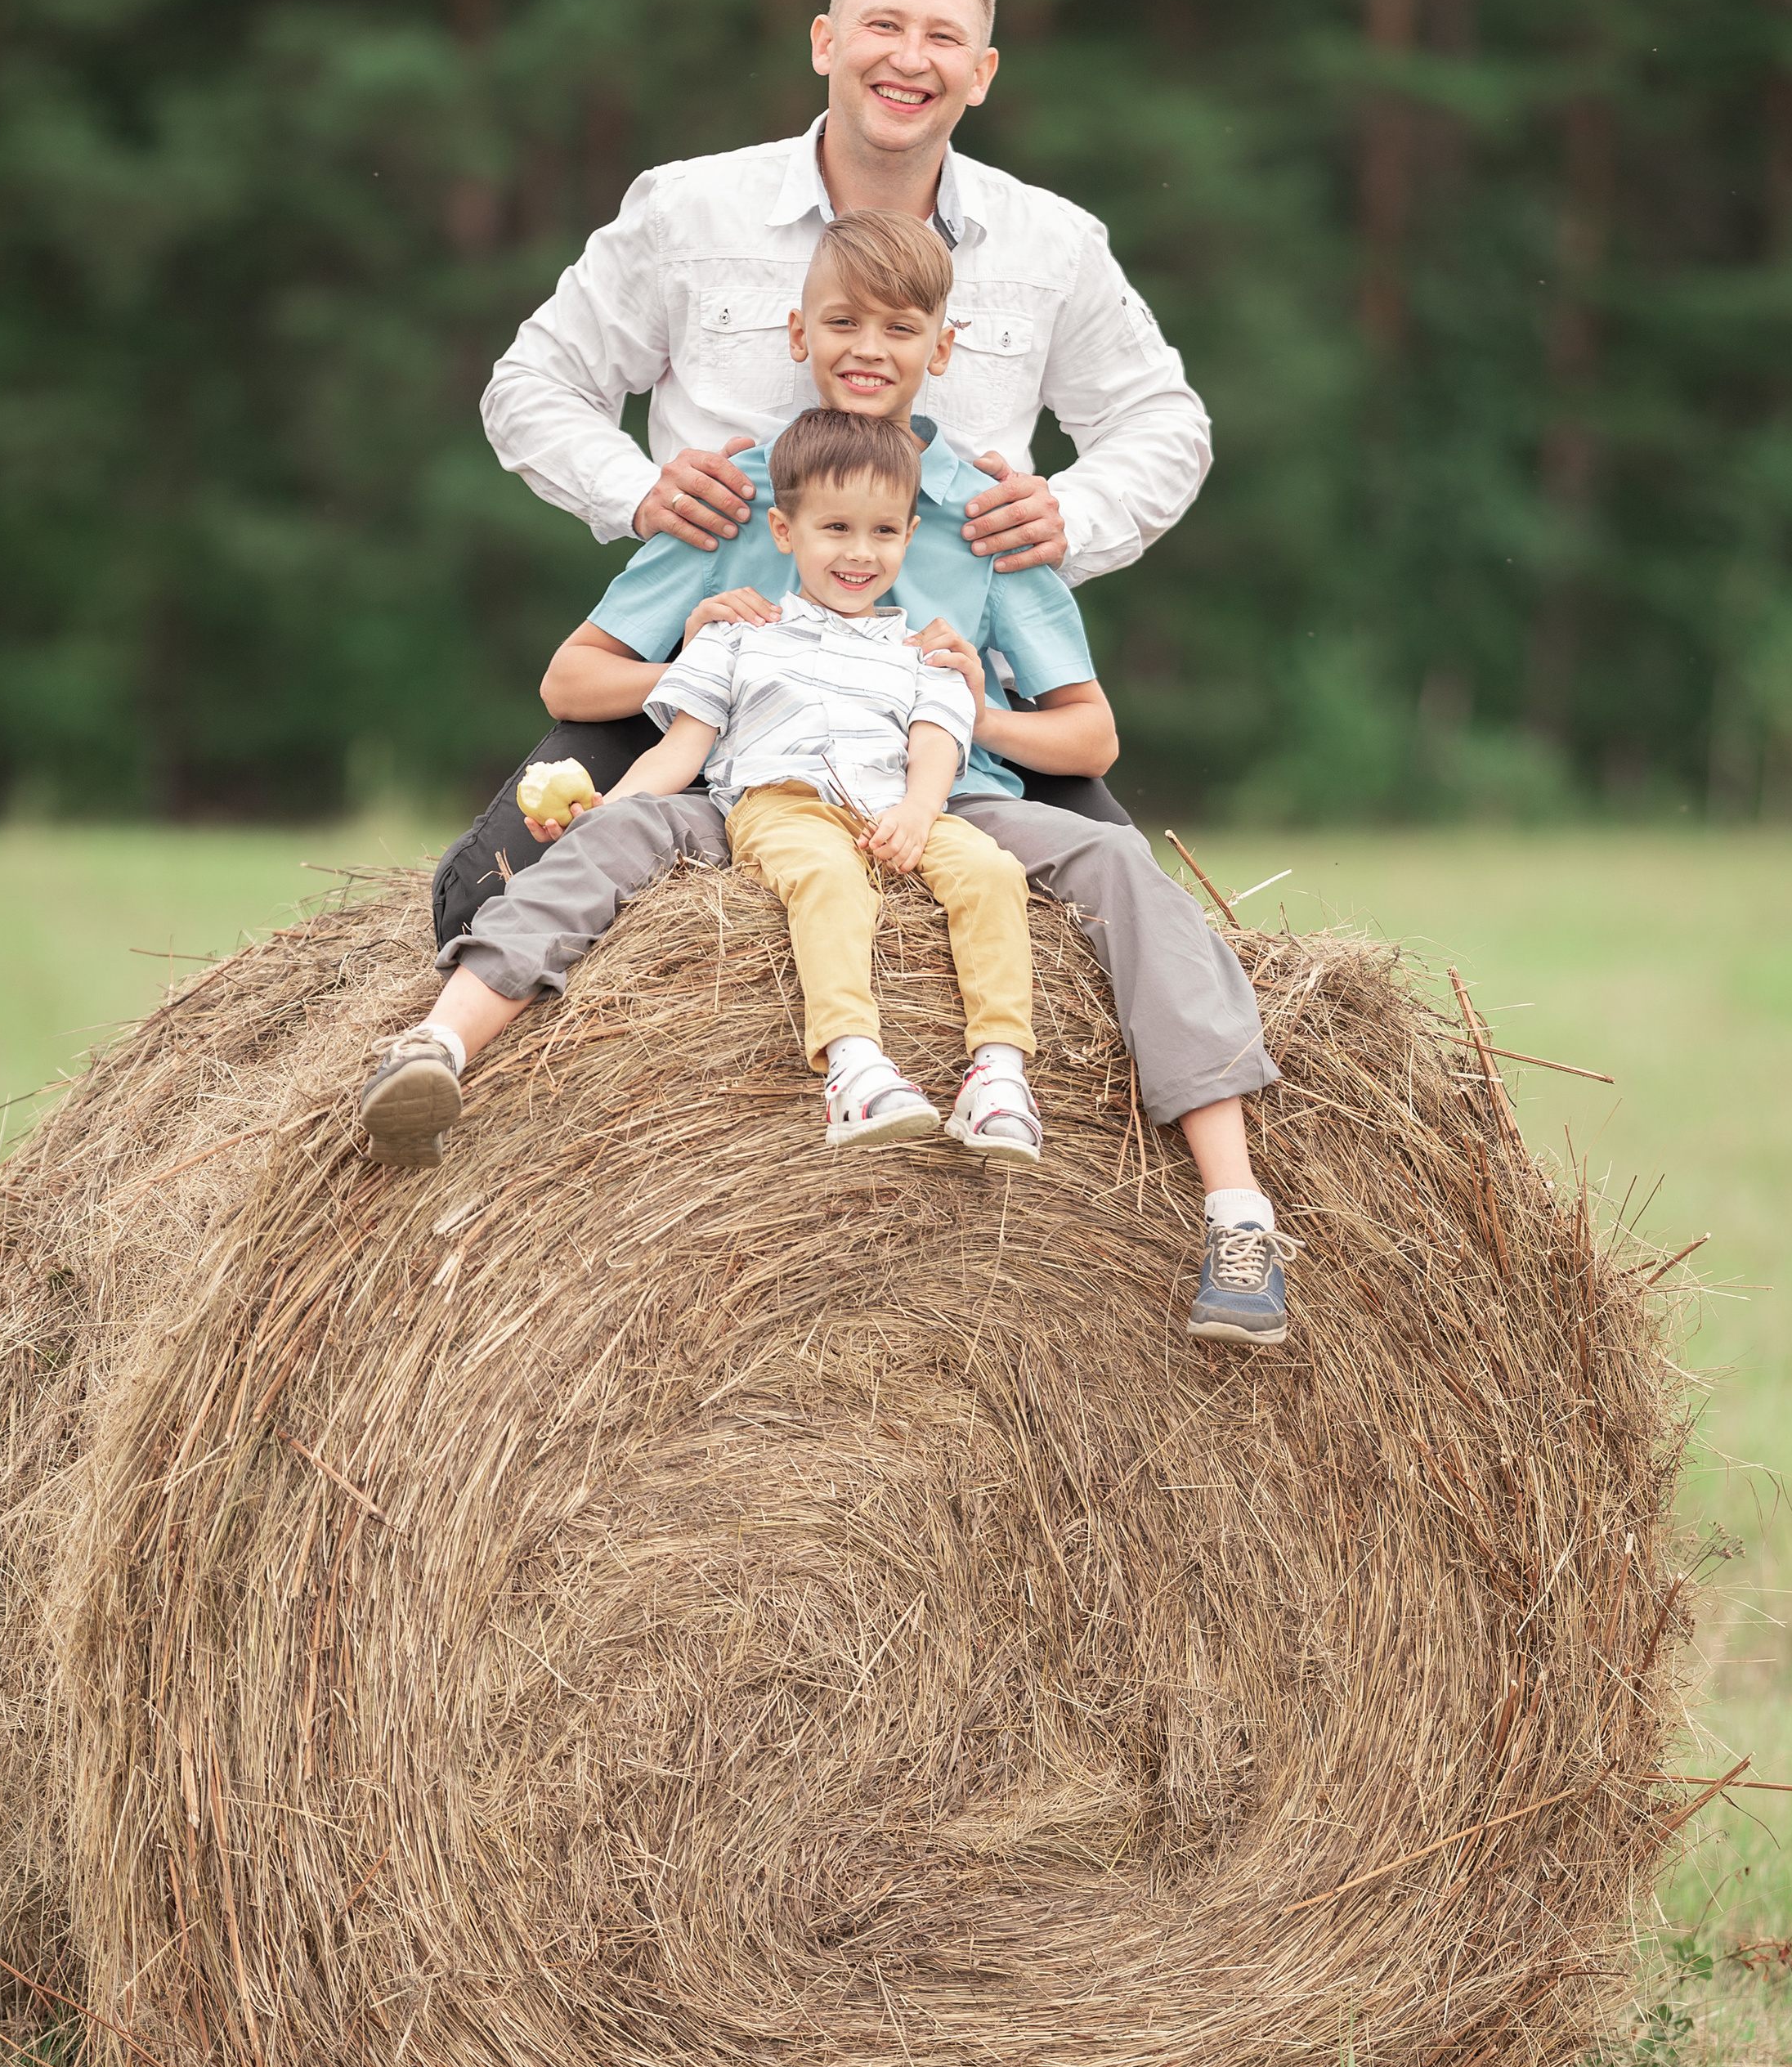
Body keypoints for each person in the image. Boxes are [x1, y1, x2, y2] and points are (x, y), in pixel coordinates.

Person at [361, 213, 1294, 1345]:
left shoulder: (987, 510)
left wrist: (968, 695)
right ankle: (438, 1045)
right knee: (610, 836)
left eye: (901, 327)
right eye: (843, 321)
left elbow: (1089, 742)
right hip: (754, 785)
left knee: (1116, 860)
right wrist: (692, 649)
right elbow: (574, 675)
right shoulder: (743, 492)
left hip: (949, 787)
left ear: (941, 347)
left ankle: (1237, 1208)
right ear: (798, 332)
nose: (870, 346)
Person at [437, 0, 1209, 932]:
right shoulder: (687, 210)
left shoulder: (1052, 243)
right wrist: (635, 491)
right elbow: (533, 381)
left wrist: (1074, 512)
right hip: (705, 674)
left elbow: (1163, 420)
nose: (906, 57)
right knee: (484, 896)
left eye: (940, 38)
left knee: (1138, 931)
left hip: (943, 705)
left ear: (980, 74)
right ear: (822, 44)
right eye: (880, 25)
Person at [605, 403, 1065, 1161]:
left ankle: (1000, 1073)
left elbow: (937, 738)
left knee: (991, 869)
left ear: (910, 537)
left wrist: (920, 812)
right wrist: (607, 808)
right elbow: (678, 754)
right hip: (782, 806)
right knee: (827, 878)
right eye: (837, 529)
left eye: (884, 531)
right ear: (785, 534)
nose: (861, 552)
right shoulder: (738, 636)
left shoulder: (922, 651)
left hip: (890, 803)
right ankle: (853, 1066)